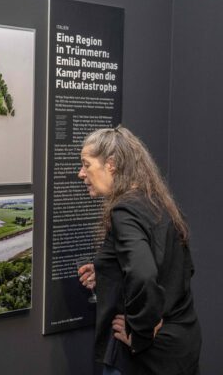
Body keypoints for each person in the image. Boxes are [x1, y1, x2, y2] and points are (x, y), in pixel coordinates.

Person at [77, 126, 201, 375]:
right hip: (181, 345)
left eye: (86, 164)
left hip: (146, 358)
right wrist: (106, 271)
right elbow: (180, 268)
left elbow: (143, 274)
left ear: (110, 164)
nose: (81, 174)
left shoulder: (124, 210)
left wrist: (141, 331)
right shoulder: (157, 202)